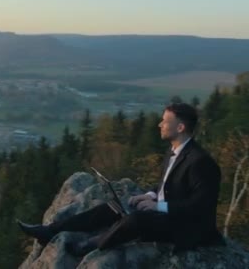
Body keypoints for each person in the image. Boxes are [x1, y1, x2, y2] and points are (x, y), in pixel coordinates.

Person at [17, 103, 224, 256]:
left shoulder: (201, 162)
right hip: (167, 215)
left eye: (165, 121)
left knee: (135, 219)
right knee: (114, 206)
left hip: (186, 227)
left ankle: (91, 245)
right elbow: (167, 186)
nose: (160, 124)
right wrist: (150, 195)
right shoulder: (174, 152)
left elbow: (200, 207)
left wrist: (158, 206)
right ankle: (49, 231)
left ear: (180, 128)